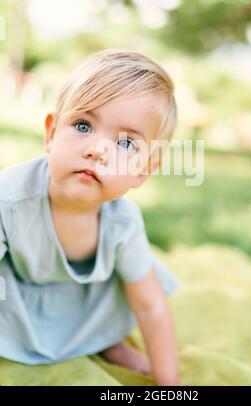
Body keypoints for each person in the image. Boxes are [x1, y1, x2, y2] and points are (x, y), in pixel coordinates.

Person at [0, 49, 182, 386]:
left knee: (134, 285)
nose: (98, 149)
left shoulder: (122, 221)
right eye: (83, 125)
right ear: (51, 134)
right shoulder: (9, 199)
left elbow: (151, 307)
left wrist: (168, 387)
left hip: (83, 297)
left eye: (126, 143)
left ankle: (103, 338)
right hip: (16, 296)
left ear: (144, 171)